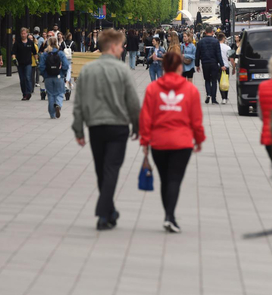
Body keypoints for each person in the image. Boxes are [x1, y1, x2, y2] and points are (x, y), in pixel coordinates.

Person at [72, 29, 141, 231]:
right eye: (121, 46)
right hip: (118, 126)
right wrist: (136, 125)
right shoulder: (122, 70)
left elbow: (79, 103)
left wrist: (78, 129)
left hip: (95, 127)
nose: (123, 49)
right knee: (111, 169)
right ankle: (104, 213)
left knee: (102, 169)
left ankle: (109, 212)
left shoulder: (87, 70)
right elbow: (133, 102)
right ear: (113, 46)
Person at [139, 52, 204, 233]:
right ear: (179, 67)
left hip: (158, 143)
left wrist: (145, 141)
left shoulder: (153, 89)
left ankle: (169, 215)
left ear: (164, 67)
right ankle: (170, 216)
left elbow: (145, 117)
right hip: (182, 143)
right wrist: (199, 139)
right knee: (175, 179)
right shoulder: (190, 90)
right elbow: (196, 119)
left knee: (165, 179)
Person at [38, 37, 71, 119]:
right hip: (58, 76)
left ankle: (52, 114)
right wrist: (62, 73)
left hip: (48, 77)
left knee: (50, 94)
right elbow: (66, 65)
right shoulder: (60, 53)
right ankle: (58, 104)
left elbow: (41, 67)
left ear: (48, 43)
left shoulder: (45, 54)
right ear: (57, 43)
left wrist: (45, 75)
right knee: (60, 92)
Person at [195, 27, 226, 104]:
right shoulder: (216, 42)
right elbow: (218, 54)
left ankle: (208, 94)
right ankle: (214, 99)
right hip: (214, 63)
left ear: (205, 32)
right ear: (212, 32)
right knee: (214, 81)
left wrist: (197, 65)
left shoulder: (200, 42)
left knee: (207, 80)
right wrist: (222, 65)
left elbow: (197, 55)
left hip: (205, 63)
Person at [13, 28, 37, 100]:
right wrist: (14, 58)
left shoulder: (30, 42)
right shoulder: (17, 42)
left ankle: (28, 92)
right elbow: (13, 52)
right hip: (20, 63)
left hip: (28, 63)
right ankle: (24, 93)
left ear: (27, 34)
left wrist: (37, 60)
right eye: (22, 34)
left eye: (24, 33)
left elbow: (35, 52)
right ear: (20, 34)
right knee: (22, 79)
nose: (23, 35)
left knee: (28, 77)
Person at [218, 33, 234, 104]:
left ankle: (223, 97)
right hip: (226, 66)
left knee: (220, 82)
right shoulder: (228, 47)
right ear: (223, 38)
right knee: (226, 82)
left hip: (218, 66)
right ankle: (226, 97)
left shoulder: (216, 47)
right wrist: (234, 67)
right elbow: (231, 58)